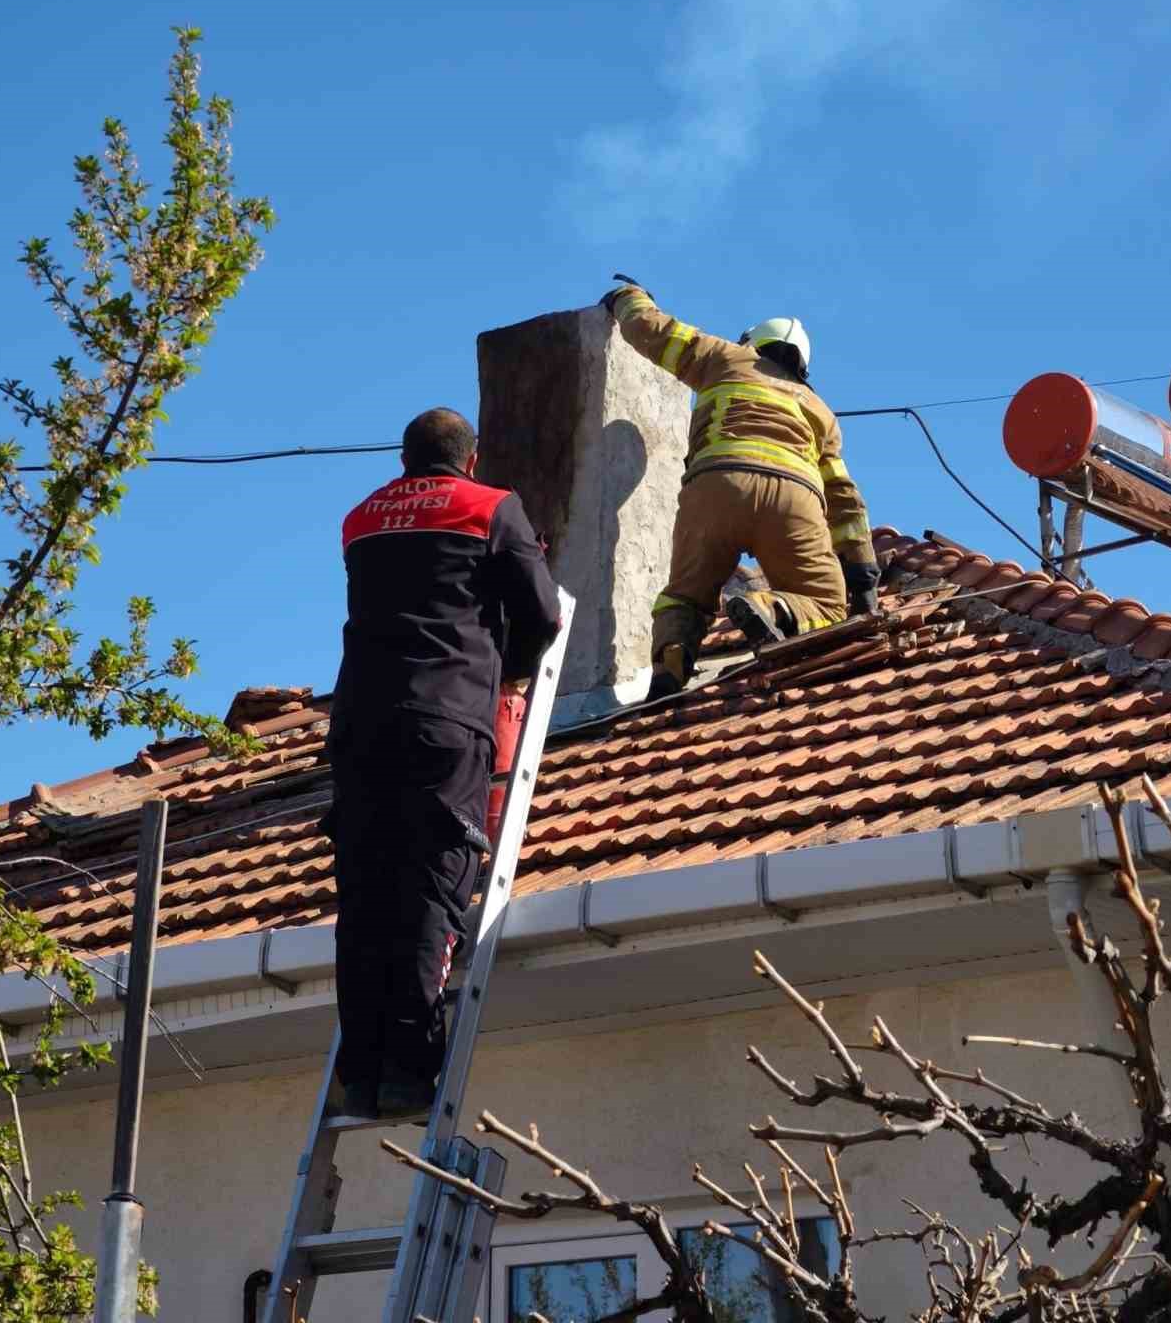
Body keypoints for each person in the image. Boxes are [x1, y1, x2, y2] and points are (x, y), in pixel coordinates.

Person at [325, 407, 560, 1119]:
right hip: (444, 721)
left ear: (404, 459)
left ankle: (360, 1073)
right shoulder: (491, 508)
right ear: (472, 458)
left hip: (359, 728)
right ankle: (408, 1072)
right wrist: (510, 674)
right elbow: (544, 615)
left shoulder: (361, 519)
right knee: (432, 886)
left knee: (364, 899)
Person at [603, 284, 879, 698]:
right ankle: (773, 608)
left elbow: (654, 331)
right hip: (794, 501)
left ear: (753, 343)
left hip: (715, 489)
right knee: (827, 608)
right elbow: (845, 500)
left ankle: (671, 669)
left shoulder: (724, 357)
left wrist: (628, 297)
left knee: (686, 595)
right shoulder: (821, 412)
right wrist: (864, 578)